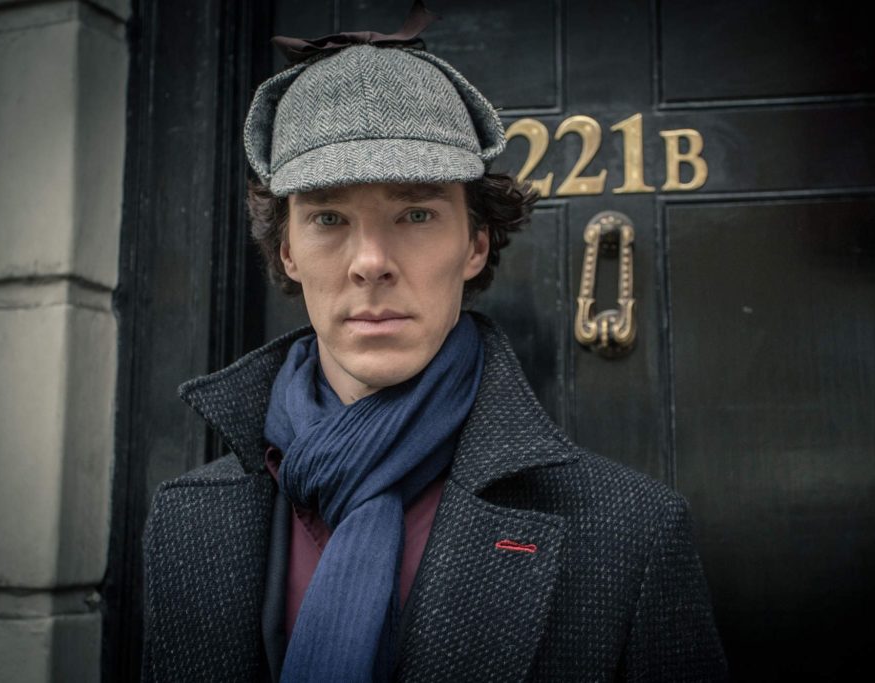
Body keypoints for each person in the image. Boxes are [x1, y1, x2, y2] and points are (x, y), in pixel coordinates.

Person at [141, 4, 728, 681]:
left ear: (475, 243)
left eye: (416, 213)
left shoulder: (630, 534)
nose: (370, 262)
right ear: (287, 250)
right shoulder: (186, 522)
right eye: (328, 217)